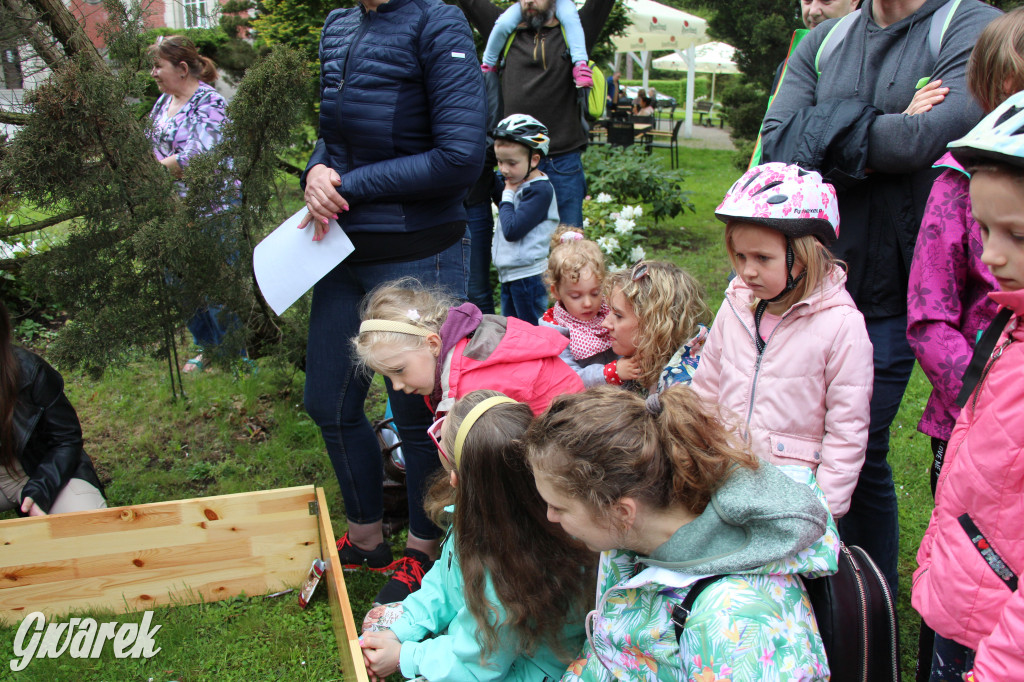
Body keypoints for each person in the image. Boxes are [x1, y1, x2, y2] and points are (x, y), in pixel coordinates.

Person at [758, 0, 1001, 593]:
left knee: (859, 447)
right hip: (811, 281)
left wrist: (830, 127)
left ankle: (867, 599)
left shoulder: (968, 25)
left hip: (901, 291)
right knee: (801, 442)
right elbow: (777, 145)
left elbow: (924, 142)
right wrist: (881, 120)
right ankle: (824, 592)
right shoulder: (826, 40)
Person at [298, 0, 487, 606]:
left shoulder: (439, 21)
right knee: (328, 397)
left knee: (421, 414)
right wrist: (316, 171)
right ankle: (364, 536)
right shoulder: (340, 24)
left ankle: (423, 548)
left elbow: (460, 157)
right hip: (341, 249)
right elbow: (333, 134)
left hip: (418, 249)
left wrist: (348, 186)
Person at [524, 385, 839, 682]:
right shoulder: (628, 543)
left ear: (621, 512)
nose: (550, 516)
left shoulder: (736, 620)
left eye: (560, 507)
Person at [360, 391, 593, 681]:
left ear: (457, 477)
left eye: (439, 437)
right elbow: (445, 581)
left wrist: (405, 657)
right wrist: (405, 624)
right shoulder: (489, 512)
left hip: (527, 668)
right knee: (379, 624)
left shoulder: (509, 570)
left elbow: (481, 659)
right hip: (492, 644)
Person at [912, 92, 1024, 681]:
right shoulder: (1010, 323)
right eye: (983, 230)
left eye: (1019, 236)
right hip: (969, 602)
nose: (994, 257)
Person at [692, 162, 873, 519]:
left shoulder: (841, 326)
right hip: (723, 477)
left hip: (794, 496)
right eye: (740, 257)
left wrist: (825, 510)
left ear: (804, 256)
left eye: (763, 258)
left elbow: (847, 430)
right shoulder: (736, 307)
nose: (747, 271)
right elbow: (705, 389)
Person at [907, 9, 1024, 497]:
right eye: (1008, 93)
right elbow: (929, 314)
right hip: (970, 415)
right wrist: (987, 396)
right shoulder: (959, 181)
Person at [457, 0, 617, 228]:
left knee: (569, 249)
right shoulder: (506, 30)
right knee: (518, 252)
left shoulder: (576, 29)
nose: (529, 1)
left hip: (562, 162)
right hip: (516, 165)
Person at [353, 279, 584, 419]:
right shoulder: (460, 358)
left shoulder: (472, 388)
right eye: (389, 376)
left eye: (399, 370)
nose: (396, 386)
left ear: (432, 344)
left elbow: (491, 452)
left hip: (566, 446)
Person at [148, 35, 238, 374]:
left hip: (211, 210)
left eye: (159, 66)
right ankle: (209, 349)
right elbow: (149, 144)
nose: (153, 74)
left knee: (217, 288)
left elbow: (200, 158)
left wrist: (153, 173)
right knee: (181, 287)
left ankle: (235, 355)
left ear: (182, 68)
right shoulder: (163, 103)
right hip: (172, 210)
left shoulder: (209, 102)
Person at [0, 301, 107, 516]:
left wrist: (40, 488)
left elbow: (66, 440)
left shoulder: (31, 372)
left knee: (90, 525)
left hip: (37, 472)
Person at [600, 260, 711, 393]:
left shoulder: (682, 389)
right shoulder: (649, 356)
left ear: (654, 324)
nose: (605, 323)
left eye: (618, 315)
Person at [490, 114, 559, 323]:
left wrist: (508, 192)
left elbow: (512, 230)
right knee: (511, 330)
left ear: (534, 159)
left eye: (511, 163)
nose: (503, 169)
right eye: (500, 161)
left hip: (528, 277)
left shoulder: (540, 191)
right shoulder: (519, 181)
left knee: (530, 332)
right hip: (513, 275)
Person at [539, 226, 615, 387]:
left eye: (595, 293)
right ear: (556, 291)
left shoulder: (610, 312)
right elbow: (569, 377)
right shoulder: (555, 332)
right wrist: (612, 372)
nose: (588, 303)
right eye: (576, 296)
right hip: (584, 405)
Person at [480, 0, 592, 89]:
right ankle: (488, 65)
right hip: (522, 6)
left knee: (570, 18)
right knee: (503, 23)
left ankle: (580, 64)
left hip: (558, 2)